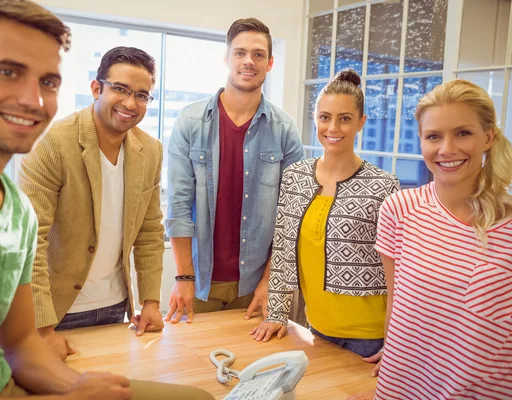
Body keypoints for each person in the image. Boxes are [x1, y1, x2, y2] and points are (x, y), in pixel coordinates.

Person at [0, 1, 213, 399]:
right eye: (8, 72)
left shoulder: (15, 209)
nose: (32, 100)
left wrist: (79, 385)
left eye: (48, 82)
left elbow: (20, 346)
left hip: (19, 373)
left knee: (195, 396)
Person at [352, 79, 512, 399]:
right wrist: (393, 355)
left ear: (488, 137)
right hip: (401, 387)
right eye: (434, 136)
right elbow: (397, 302)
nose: (447, 149)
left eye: (463, 133)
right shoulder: (400, 209)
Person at [19, 47, 165, 361]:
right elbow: (28, 241)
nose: (130, 103)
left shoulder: (150, 150)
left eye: (141, 95)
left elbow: (150, 232)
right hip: (56, 313)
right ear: (96, 88)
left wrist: (151, 301)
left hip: (115, 308)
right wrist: (43, 329)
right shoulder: (53, 143)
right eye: (120, 89)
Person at [250, 69, 400, 360]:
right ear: (315, 119)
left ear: (361, 123)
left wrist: (397, 342)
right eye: (324, 117)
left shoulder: (384, 185)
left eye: (345, 118)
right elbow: (282, 249)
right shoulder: (295, 177)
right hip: (316, 328)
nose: (333, 127)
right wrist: (278, 314)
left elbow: (400, 272)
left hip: (371, 339)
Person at [164, 18, 305, 324]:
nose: (248, 61)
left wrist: (270, 281)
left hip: (256, 288)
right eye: (240, 53)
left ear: (269, 63)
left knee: (257, 371)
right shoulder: (190, 122)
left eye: (257, 54)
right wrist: (184, 276)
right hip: (198, 286)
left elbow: (291, 217)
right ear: (226, 58)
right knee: (190, 369)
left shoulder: (285, 130)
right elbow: (177, 207)